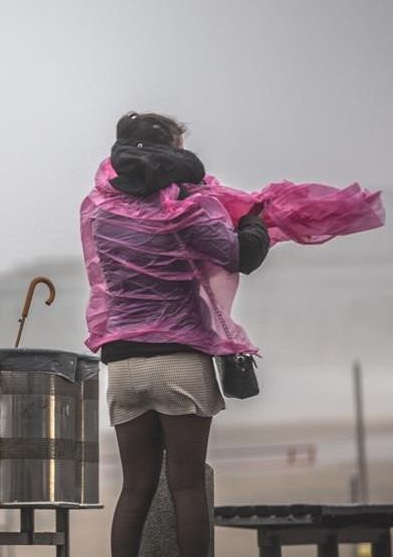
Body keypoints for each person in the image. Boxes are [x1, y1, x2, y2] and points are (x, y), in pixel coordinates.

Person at [81, 112, 270, 557]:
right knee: (186, 486)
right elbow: (241, 255)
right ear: (172, 150)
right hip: (178, 360)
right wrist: (253, 218)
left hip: (123, 363)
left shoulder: (99, 207)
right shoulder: (184, 202)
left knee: (135, 490)